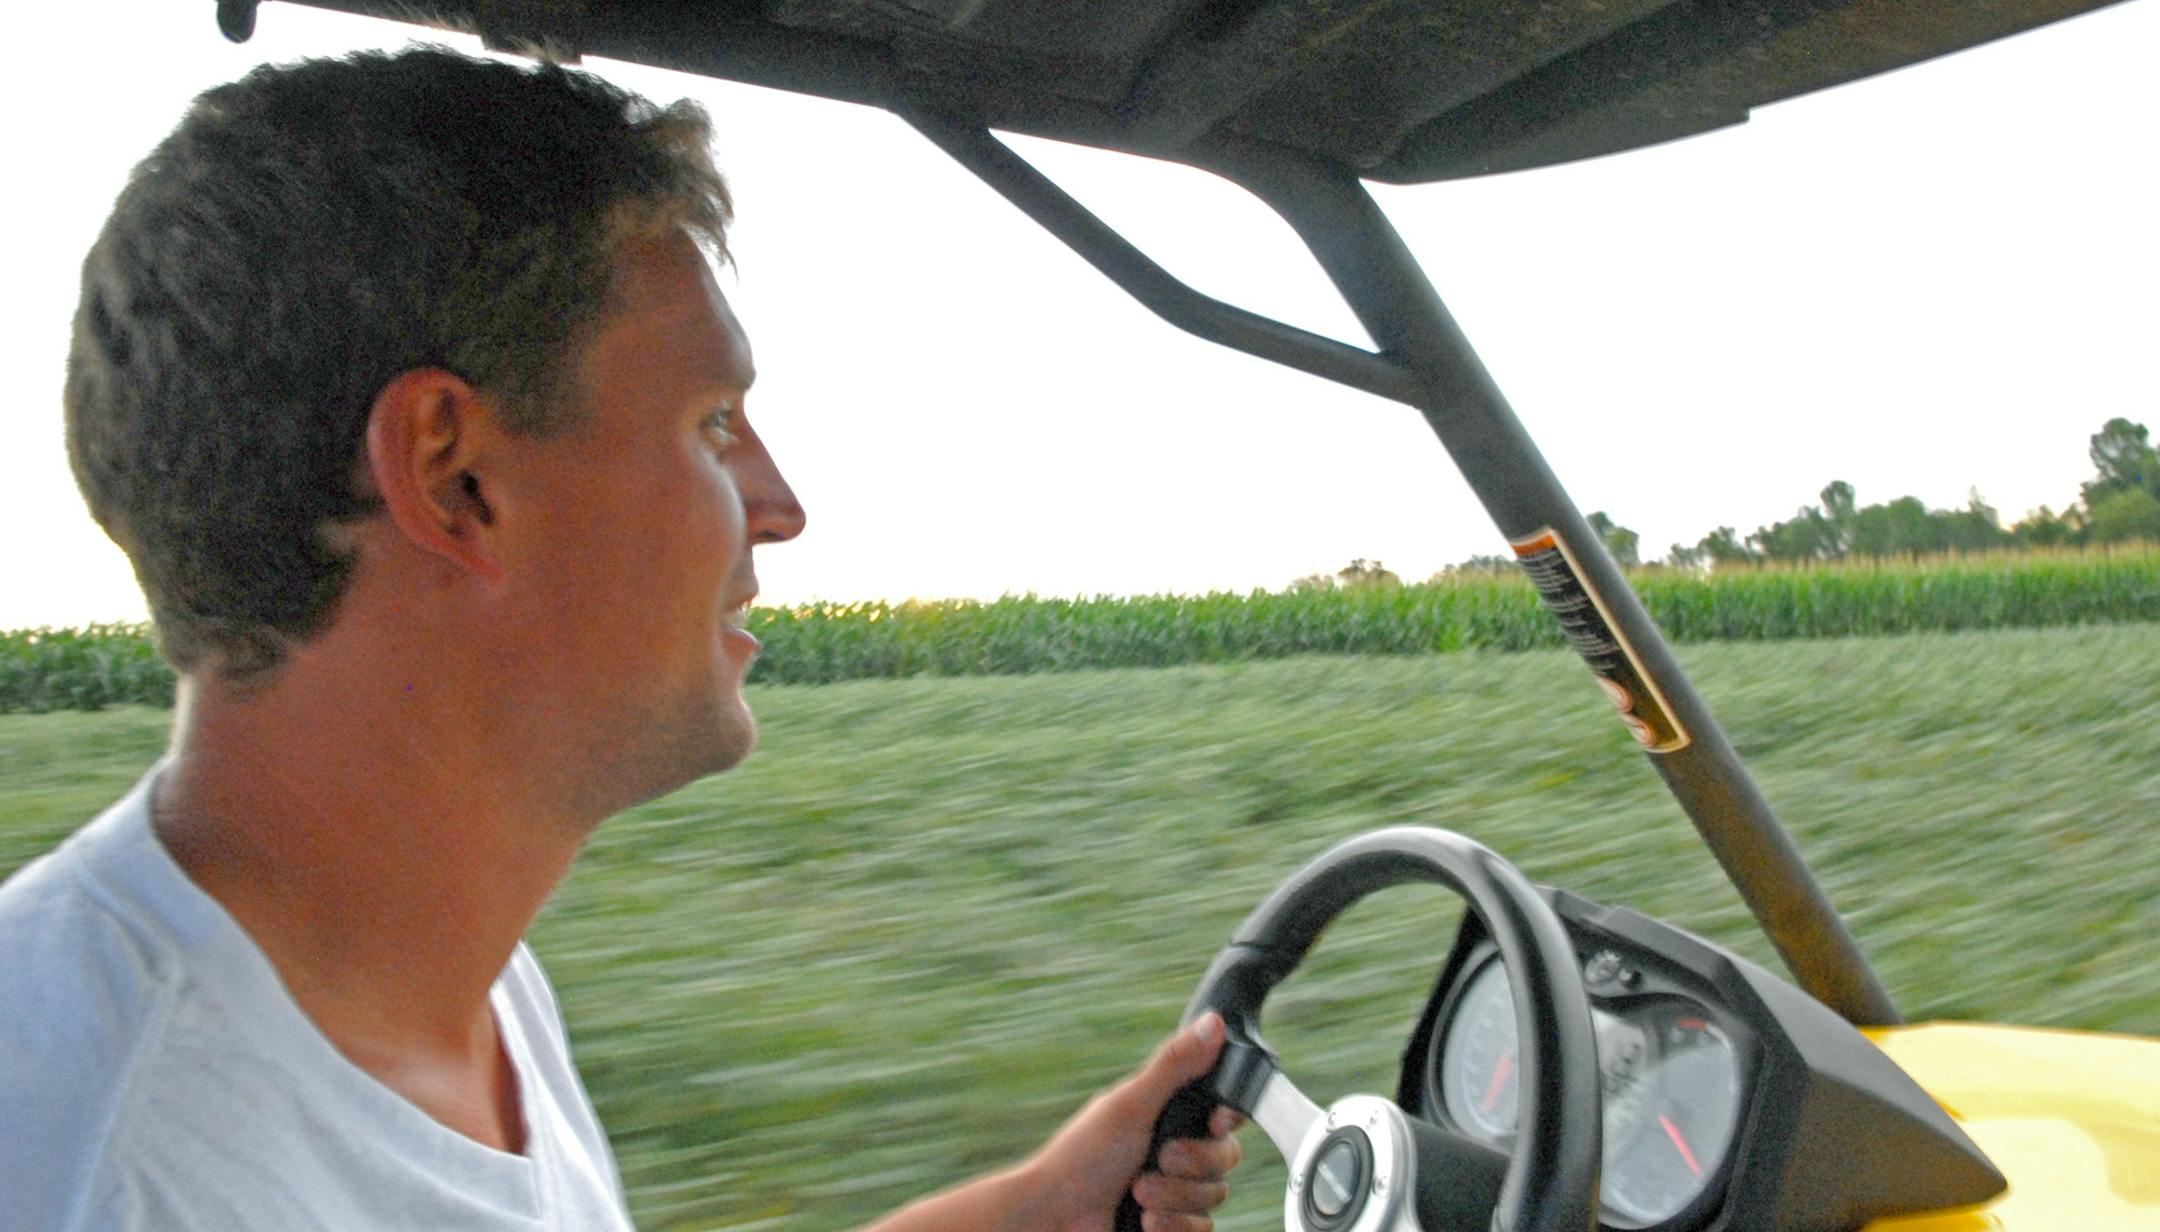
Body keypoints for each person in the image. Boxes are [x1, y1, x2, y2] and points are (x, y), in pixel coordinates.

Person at [0, 45, 1241, 1231]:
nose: (782, 506)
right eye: (712, 423)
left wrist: (1031, 1208)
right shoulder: (112, 1169)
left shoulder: (433, 979)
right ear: (454, 477)